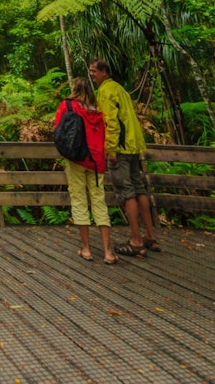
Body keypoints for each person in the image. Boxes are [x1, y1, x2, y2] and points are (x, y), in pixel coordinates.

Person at [88, 57, 161, 257]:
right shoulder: (120, 89)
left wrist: (110, 149)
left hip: (119, 149)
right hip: (133, 146)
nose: (91, 74)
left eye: (94, 71)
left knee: (127, 192)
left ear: (104, 72)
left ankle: (136, 240)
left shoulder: (105, 91)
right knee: (139, 189)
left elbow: (110, 122)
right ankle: (150, 237)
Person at [54, 77, 118, 265]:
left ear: (74, 89)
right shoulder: (98, 110)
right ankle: (107, 252)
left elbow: (58, 131)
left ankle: (87, 249)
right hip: (96, 160)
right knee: (99, 202)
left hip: (76, 159)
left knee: (79, 201)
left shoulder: (68, 106)